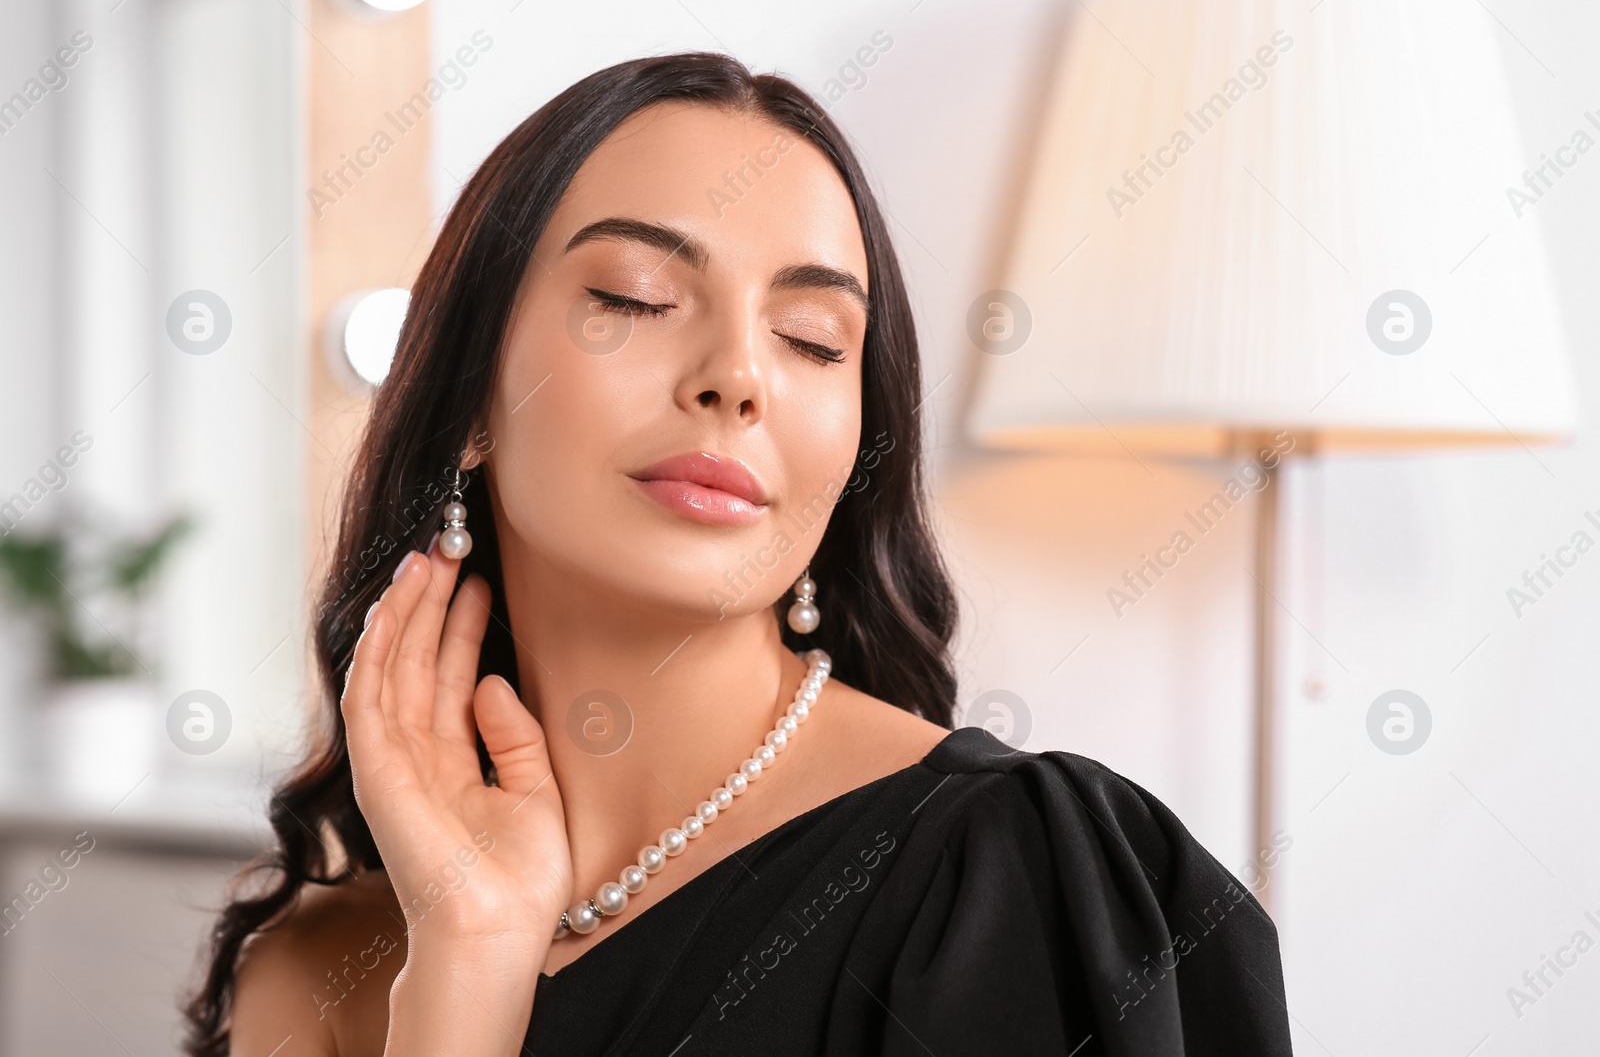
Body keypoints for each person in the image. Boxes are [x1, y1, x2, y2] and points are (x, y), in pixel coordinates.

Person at [184, 52, 1292, 1056]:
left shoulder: (1022, 880)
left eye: (812, 340)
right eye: (637, 297)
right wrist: (466, 960)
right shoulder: (322, 968)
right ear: (471, 389)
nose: (737, 375)